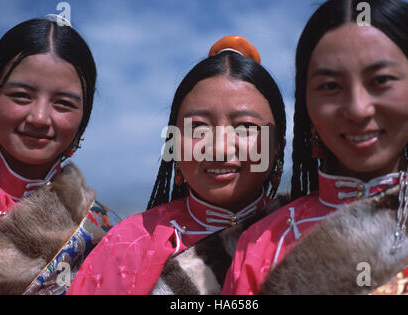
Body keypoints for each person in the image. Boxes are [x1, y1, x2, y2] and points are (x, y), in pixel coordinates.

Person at [222, 0, 408, 295]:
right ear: (306, 103)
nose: (357, 109)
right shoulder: (260, 245)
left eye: (381, 80)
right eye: (330, 86)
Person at [67, 35, 287, 294]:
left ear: (277, 148)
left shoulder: (309, 232)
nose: (219, 148)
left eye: (245, 127)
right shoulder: (127, 244)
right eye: (198, 127)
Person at [0, 16, 120, 295]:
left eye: (62, 103)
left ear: (83, 118)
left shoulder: (105, 231)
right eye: (22, 96)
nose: (39, 118)